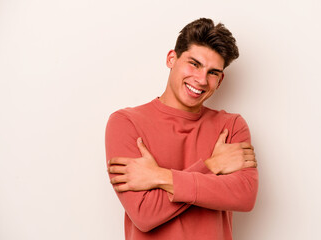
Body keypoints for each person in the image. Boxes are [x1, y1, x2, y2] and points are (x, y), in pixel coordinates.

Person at [105, 18, 258, 240]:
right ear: (171, 59)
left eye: (213, 72)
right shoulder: (126, 123)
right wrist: (212, 165)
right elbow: (144, 215)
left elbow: (245, 197)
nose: (201, 80)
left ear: (221, 79)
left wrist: (159, 177)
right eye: (194, 64)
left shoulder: (231, 126)